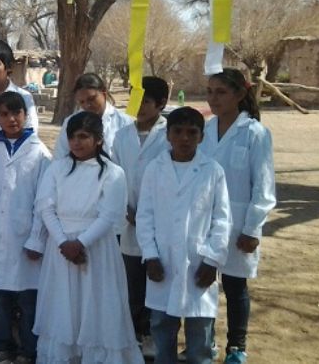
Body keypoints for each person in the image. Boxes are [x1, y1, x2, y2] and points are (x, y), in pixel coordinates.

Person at [33, 110, 143, 364]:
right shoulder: (57, 169)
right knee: (64, 304)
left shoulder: (113, 173)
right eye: (72, 137)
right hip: (60, 249)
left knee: (96, 304)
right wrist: (63, 242)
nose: (77, 142)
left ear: (98, 139)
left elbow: (109, 215)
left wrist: (80, 243)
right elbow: (46, 207)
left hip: (96, 248)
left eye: (83, 136)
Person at [137, 107, 233, 364]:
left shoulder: (212, 171)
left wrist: (212, 260)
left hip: (199, 265)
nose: (184, 138)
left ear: (202, 137)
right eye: (177, 131)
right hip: (162, 264)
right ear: (167, 134)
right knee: (161, 328)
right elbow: (144, 217)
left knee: (199, 334)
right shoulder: (154, 170)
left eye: (192, 132)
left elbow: (222, 220)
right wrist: (151, 256)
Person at [199, 68, 276, 364]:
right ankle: (206, 341)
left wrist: (252, 229)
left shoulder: (255, 133)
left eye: (220, 92)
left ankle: (236, 346)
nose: (213, 98)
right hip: (205, 220)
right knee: (203, 281)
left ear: (240, 95)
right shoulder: (204, 129)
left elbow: (263, 186)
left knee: (234, 284)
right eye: (209, 91)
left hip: (239, 222)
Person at [0, 91, 51, 364]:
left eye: (16, 113)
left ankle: (28, 350)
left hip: (26, 239)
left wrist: (36, 240)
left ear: (25, 115)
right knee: (2, 297)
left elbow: (45, 201)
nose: (11, 119)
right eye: (4, 114)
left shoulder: (39, 152)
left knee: (28, 299)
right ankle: (3, 345)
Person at [111, 76, 171, 358]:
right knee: (131, 279)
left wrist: (147, 213)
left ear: (161, 104)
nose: (140, 106)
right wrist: (127, 208)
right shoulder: (123, 136)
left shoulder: (169, 134)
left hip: (160, 221)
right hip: (129, 218)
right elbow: (116, 176)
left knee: (156, 278)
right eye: (136, 99)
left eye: (146, 101)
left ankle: (153, 334)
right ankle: (134, 332)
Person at [53, 73, 133, 159]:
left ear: (104, 93)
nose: (87, 105)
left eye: (91, 99)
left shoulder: (125, 123)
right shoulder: (70, 122)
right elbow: (60, 157)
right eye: (82, 102)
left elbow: (130, 160)